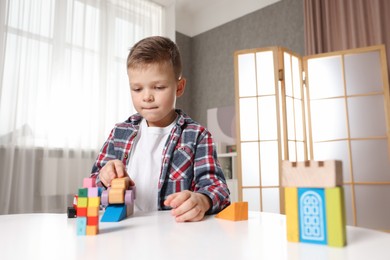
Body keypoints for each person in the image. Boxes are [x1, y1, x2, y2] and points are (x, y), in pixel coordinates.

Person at [90, 36, 230, 222]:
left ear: (179, 87)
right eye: (137, 89)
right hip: (125, 231)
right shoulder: (119, 133)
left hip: (174, 234)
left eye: (158, 87)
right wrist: (103, 176)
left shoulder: (197, 136)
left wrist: (202, 200)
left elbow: (217, 187)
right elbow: (92, 188)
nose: (147, 97)